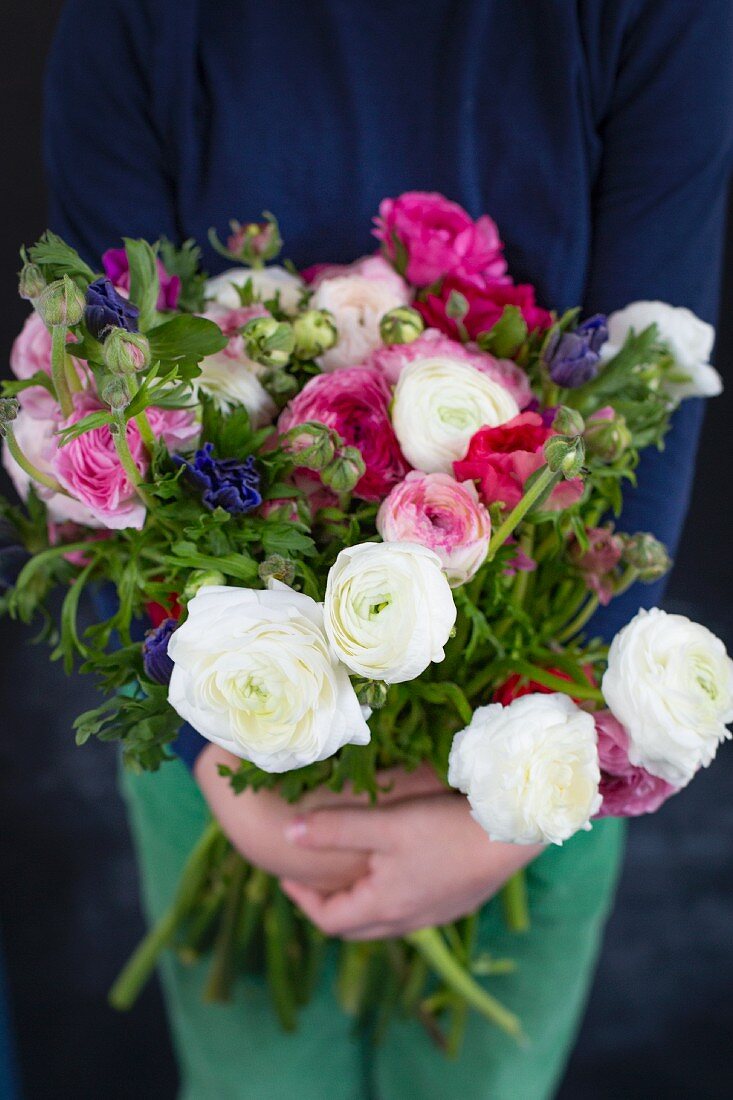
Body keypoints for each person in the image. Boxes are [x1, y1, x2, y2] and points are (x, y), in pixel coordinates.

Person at [43, 2, 733, 1097]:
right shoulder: (135, 25)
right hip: (219, 720)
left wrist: (519, 796)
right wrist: (221, 759)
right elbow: (102, 398)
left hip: (541, 720)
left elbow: (651, 386)